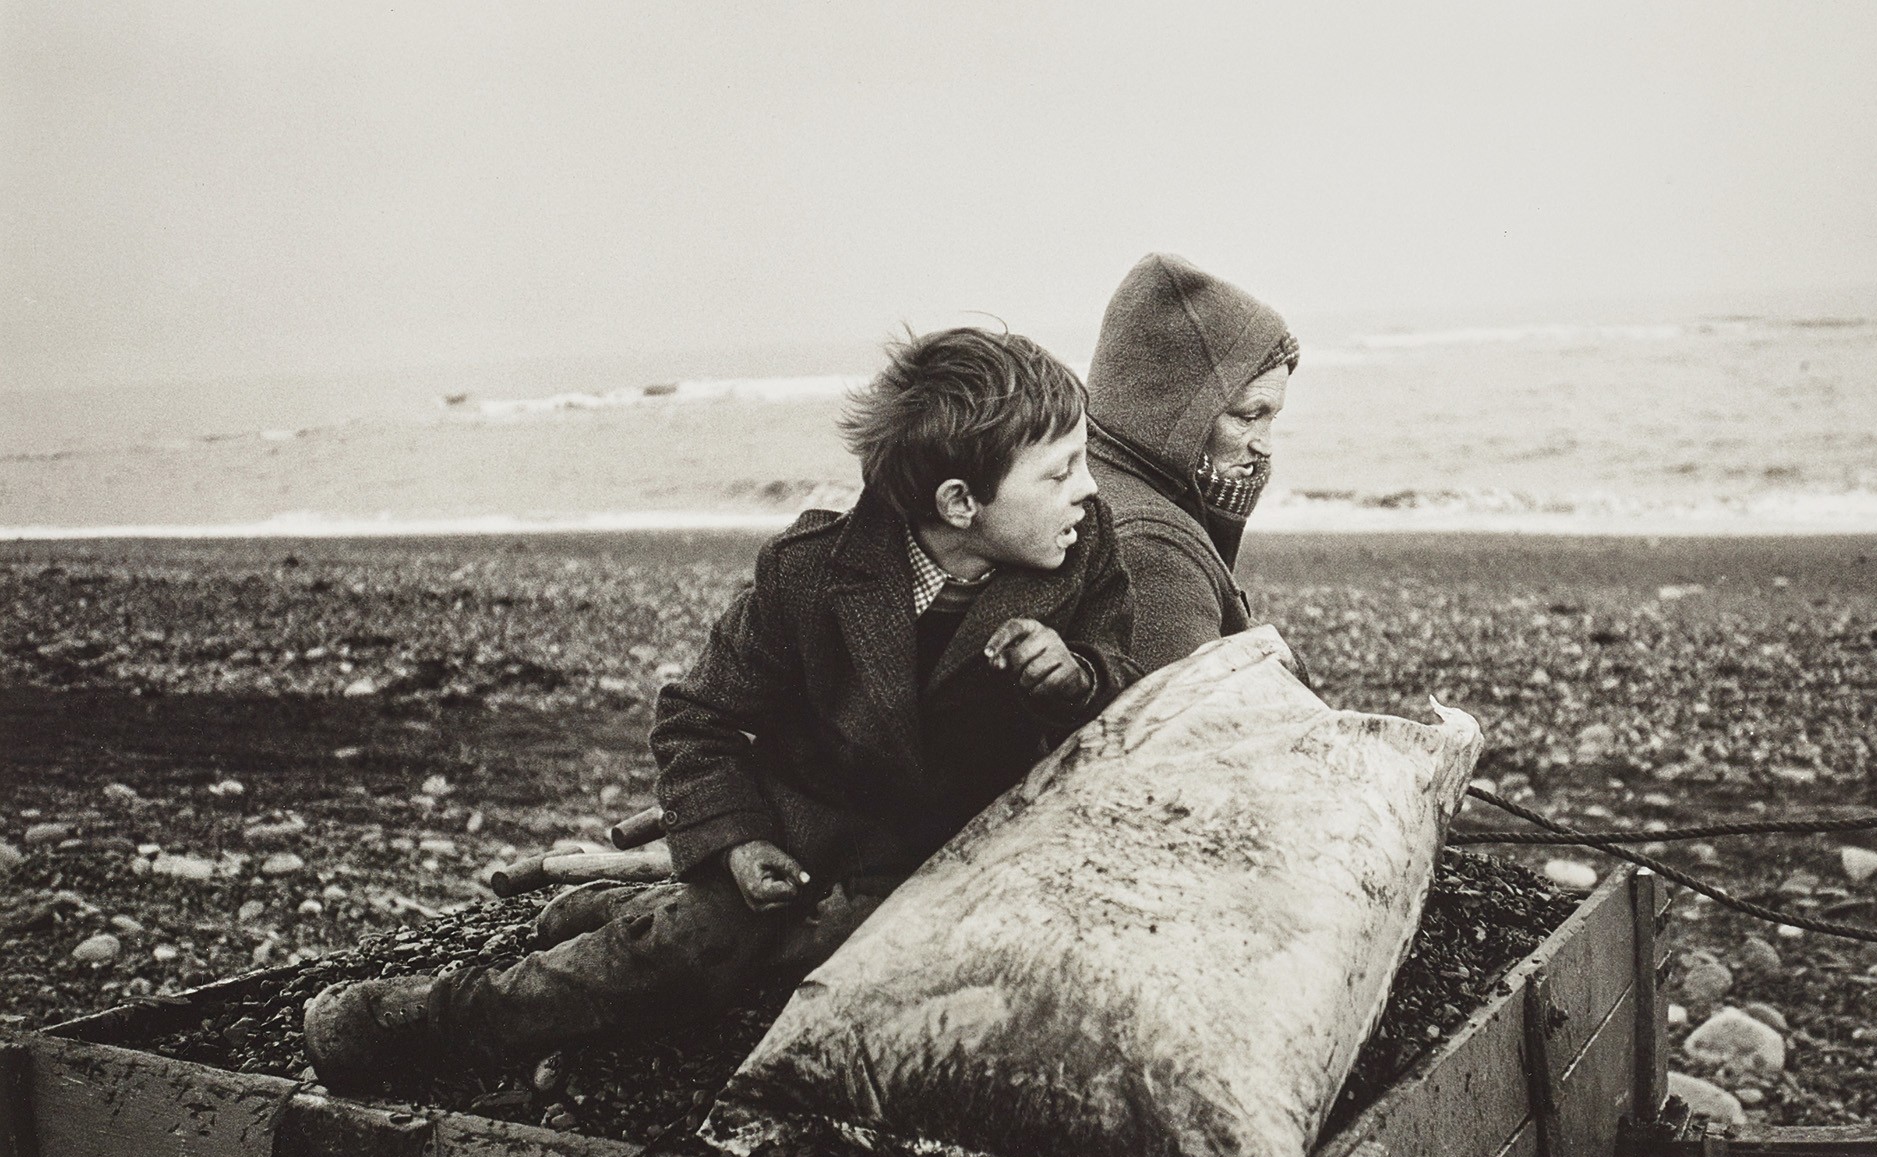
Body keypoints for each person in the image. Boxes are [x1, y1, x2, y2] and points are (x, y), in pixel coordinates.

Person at [302, 328, 1138, 1087]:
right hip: (805, 846)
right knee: (682, 953)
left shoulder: (1082, 558)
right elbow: (697, 720)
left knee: (840, 954)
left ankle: (595, 911)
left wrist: (1073, 681)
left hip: (963, 862)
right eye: (1061, 470)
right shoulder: (808, 576)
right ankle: (442, 1017)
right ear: (961, 504)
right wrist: (735, 843)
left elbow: (1128, 701)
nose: (1089, 490)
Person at [1086, 252, 1306, 676]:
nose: (1265, 446)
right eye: (1247, 415)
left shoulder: (1101, 478)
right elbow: (1204, 728)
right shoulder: (1152, 543)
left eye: (1271, 418)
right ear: (1178, 408)